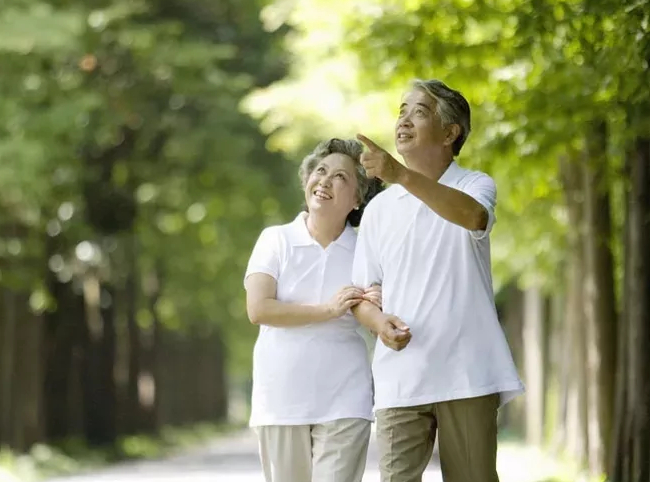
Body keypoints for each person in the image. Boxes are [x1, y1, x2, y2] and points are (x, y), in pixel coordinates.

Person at [351, 79, 525, 482]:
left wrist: (400, 175)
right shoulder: (379, 210)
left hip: (468, 372)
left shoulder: (474, 185)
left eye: (419, 111)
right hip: (401, 375)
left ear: (450, 133)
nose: (403, 120)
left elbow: (474, 218)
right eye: (401, 111)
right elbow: (362, 295)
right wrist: (379, 323)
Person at [243, 138, 384, 482]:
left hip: (346, 399)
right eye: (320, 171)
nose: (324, 180)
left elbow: (381, 309)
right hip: (280, 400)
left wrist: (382, 297)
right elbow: (259, 309)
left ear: (357, 199)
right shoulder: (275, 239)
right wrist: (329, 310)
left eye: (340, 177)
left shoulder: (368, 249)